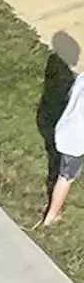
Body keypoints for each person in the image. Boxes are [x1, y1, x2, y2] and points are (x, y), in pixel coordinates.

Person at [43, 66, 84, 226]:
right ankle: (51, 216)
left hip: (65, 127)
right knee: (66, 177)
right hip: (76, 140)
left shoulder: (82, 77)